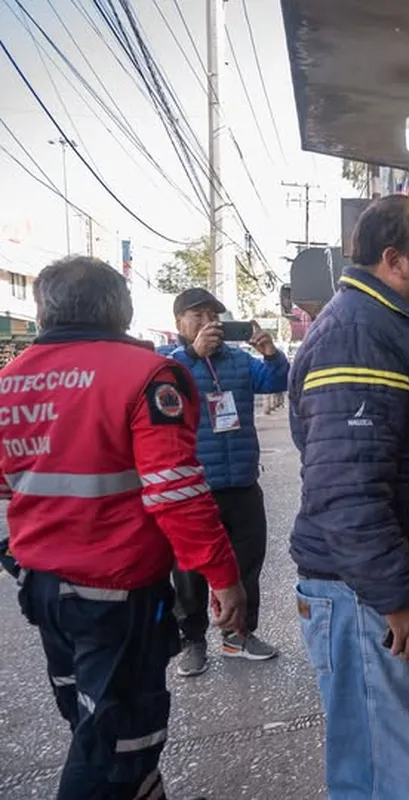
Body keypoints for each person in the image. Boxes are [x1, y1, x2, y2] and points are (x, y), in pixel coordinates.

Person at [0, 257, 246, 800]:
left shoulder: (9, 381)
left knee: (93, 725)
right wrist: (223, 576)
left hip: (44, 592)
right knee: (115, 747)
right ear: (124, 309)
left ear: (43, 310)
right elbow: (176, 493)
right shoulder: (147, 375)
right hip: (116, 594)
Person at [289, 195, 409, 799]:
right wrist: (399, 597)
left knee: (392, 758)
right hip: (366, 595)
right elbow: (345, 490)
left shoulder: (397, 324)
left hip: (384, 581)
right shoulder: (359, 334)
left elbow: (406, 454)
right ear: (394, 261)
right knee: (381, 771)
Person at [163, 288, 289, 674]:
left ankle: (239, 636)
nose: (208, 323)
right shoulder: (168, 364)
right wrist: (192, 356)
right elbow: (163, 394)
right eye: (197, 316)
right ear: (179, 323)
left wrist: (270, 352)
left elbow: (275, 380)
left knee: (246, 566)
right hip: (193, 490)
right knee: (189, 572)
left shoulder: (238, 360)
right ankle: (193, 641)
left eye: (213, 316)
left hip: (242, 485)